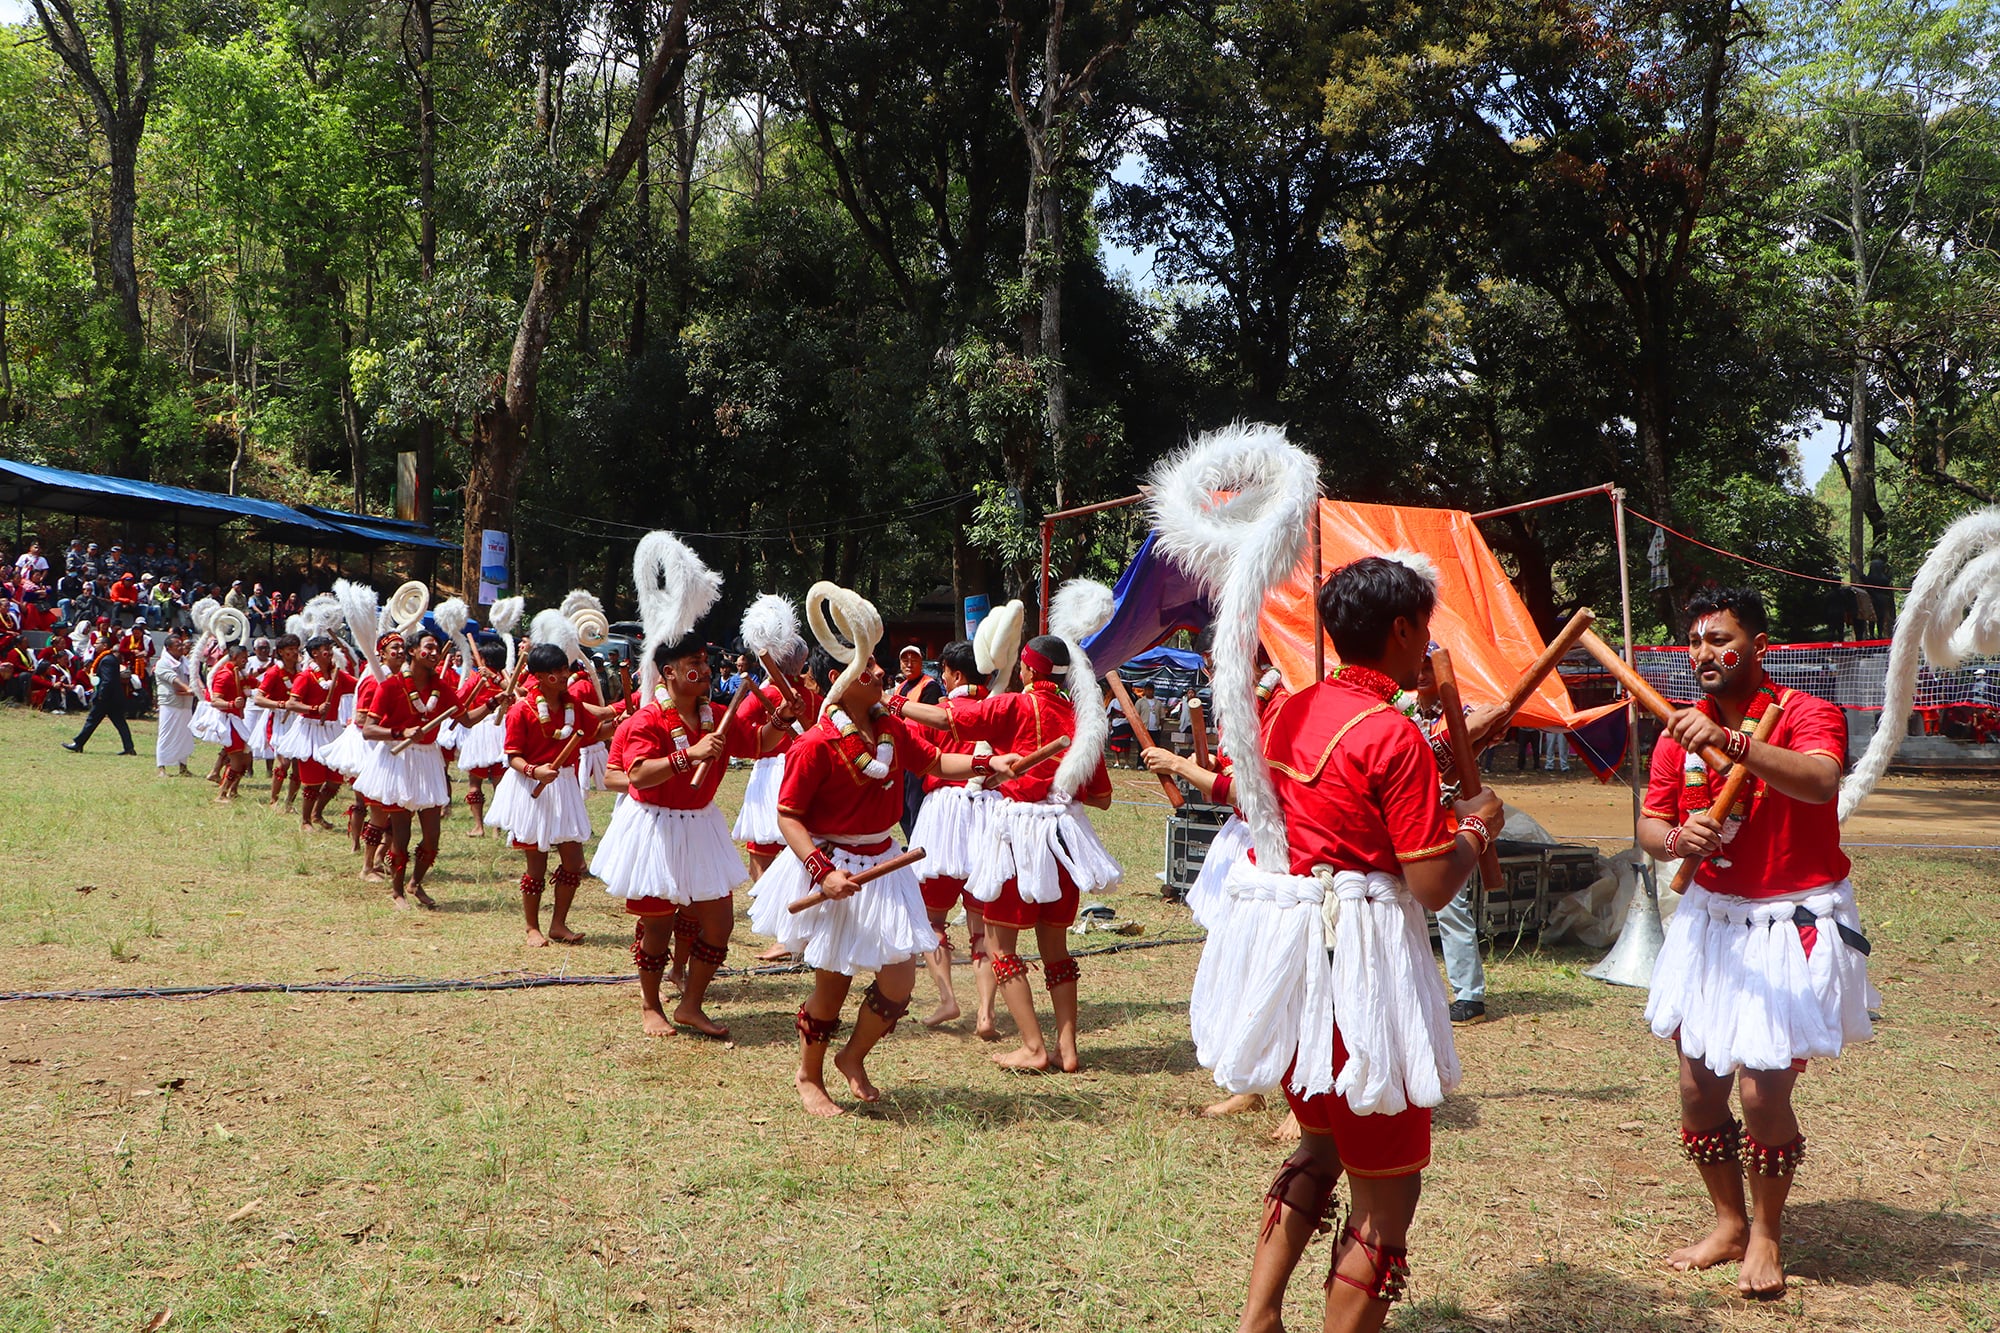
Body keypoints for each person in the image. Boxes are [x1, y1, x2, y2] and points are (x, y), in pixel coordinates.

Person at [1637, 586, 1875, 1300]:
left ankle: (1767, 1233)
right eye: (1696, 641)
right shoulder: (1681, 728)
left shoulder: (1807, 711)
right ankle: (1727, 1221)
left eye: (1720, 639)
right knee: (1695, 1087)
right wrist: (1680, 837)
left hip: (1790, 917)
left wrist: (1737, 744)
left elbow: (1821, 778)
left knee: (1762, 1088)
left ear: (1759, 647)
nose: (1704, 653)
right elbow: (1649, 826)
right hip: (1712, 917)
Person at [749, 631, 1025, 1116]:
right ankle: (808, 1075)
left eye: (877, 664)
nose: (880, 674)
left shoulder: (891, 729)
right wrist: (821, 871)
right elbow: (788, 815)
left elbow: (936, 759)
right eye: (869, 666)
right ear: (839, 679)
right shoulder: (815, 744)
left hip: (885, 864)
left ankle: (851, 1056)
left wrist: (988, 761)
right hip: (833, 869)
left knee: (899, 981)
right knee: (831, 985)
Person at [893, 631, 1119, 1074]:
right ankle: (1067, 1049)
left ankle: (1034, 1048)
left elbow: (946, 722)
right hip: (1065, 840)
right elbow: (1103, 798)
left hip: (1023, 837)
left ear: (1030, 669)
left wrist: (896, 706)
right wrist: (1058, 785)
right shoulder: (1083, 722)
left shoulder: (1018, 704)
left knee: (999, 944)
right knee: (1056, 946)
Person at [593, 634, 782, 1037]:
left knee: (719, 924)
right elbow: (638, 774)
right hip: (655, 827)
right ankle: (650, 1004)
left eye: (706, 661)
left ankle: (691, 1004)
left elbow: (761, 744)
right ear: (669, 672)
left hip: (701, 824)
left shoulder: (717, 713)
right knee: (657, 926)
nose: (706, 669)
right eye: (694, 662)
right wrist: (688, 756)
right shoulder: (646, 720)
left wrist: (782, 721)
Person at [903, 638, 1000, 1033]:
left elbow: (912, 756)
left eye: (942, 671)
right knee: (984, 923)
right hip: (989, 812)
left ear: (956, 674)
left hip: (944, 810)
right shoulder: (1000, 710)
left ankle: (947, 1000)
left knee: (932, 918)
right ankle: (987, 1012)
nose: (940, 678)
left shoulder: (936, 712)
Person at [489, 642, 600, 947]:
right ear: (537, 676)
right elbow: (512, 755)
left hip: (564, 785)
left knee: (573, 860)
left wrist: (626, 723)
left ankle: (558, 924)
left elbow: (593, 731)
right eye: (555, 672)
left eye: (565, 669)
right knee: (535, 864)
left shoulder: (572, 705)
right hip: (532, 787)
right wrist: (534, 772)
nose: (563, 675)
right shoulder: (521, 710)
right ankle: (531, 927)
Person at [354, 627, 459, 909]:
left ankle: (416, 883)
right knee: (401, 834)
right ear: (413, 651)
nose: (435, 653)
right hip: (399, 761)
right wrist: (400, 732)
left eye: (437, 648)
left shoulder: (442, 688)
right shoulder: (389, 686)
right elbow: (368, 730)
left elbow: (468, 719)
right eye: (429, 647)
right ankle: (397, 891)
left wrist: (494, 703)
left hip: (428, 761)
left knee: (433, 837)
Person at [278, 635, 354, 830]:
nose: (329, 652)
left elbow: (360, 686)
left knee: (335, 780)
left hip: (332, 730)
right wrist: (315, 709)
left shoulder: (339, 675)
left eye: (330, 648)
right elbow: (292, 703)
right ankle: (305, 821)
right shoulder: (305, 676)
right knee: (313, 781)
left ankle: (317, 814)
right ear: (314, 654)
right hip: (310, 731)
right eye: (325, 649)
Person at [453, 637, 514, 837]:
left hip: (482, 728)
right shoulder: (507, 678)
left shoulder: (483, 678)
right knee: (498, 781)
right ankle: (495, 827)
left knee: (475, 782)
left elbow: (458, 699)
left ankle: (480, 826)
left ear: (485, 659)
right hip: (499, 729)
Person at [889, 645, 942, 835]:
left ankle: (916, 841)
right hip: (900, 751)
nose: (909, 664)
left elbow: (926, 721)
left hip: (917, 751)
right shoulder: (901, 687)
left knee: (914, 802)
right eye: (905, 660)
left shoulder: (930, 686)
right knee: (901, 803)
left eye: (914, 660)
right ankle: (910, 841)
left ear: (922, 663)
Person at [250, 632, 303, 810]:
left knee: (297, 765)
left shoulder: (302, 672)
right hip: (278, 720)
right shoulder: (273, 673)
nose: (295, 653)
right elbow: (258, 699)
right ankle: (274, 801)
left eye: (296, 649)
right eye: (290, 649)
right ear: (281, 652)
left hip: (297, 720)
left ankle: (289, 802)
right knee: (284, 762)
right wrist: (281, 704)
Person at [62, 633, 138, 756]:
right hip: (113, 697)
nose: (95, 645)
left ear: (104, 645)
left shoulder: (107, 660)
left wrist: (101, 695)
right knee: (119, 722)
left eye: (97, 643)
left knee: (92, 720)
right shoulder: (109, 658)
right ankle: (129, 748)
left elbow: (107, 681)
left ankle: (78, 743)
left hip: (106, 698)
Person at [208, 641, 254, 800]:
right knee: (236, 758)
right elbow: (215, 701)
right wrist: (231, 704)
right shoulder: (224, 675)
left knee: (246, 757)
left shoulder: (240, 673)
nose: (246, 661)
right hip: (228, 720)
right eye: (243, 658)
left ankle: (233, 790)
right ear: (234, 657)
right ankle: (221, 794)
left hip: (237, 720)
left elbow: (258, 685)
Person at [152, 629, 198, 775]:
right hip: (170, 703)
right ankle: (161, 768)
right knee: (167, 734)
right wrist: (189, 689)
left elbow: (194, 678)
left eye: (181, 644)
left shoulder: (185, 662)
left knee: (184, 735)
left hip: (185, 704)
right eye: (177, 645)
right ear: (168, 648)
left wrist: (197, 689)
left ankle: (183, 767)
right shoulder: (163, 663)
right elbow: (175, 680)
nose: (181, 647)